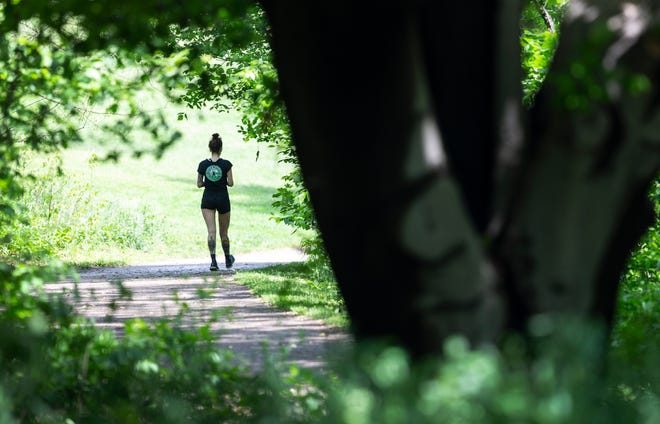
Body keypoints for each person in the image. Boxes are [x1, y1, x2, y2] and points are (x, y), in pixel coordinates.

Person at [197, 133, 235, 271]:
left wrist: (209, 182)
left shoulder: (203, 164)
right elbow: (230, 183)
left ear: (210, 148)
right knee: (224, 233)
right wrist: (221, 180)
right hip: (223, 199)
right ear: (221, 148)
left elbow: (199, 184)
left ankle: (213, 262)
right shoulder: (226, 164)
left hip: (208, 199)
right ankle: (227, 259)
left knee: (211, 232)